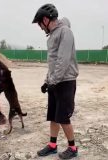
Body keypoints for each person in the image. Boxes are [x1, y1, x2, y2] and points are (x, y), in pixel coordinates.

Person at [32, 3, 79, 159]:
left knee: (63, 117)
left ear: (45, 19)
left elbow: (63, 61)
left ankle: (72, 148)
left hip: (65, 82)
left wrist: (54, 81)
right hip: (55, 82)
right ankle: (52, 145)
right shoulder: (52, 35)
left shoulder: (65, 32)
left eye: (39, 23)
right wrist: (47, 81)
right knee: (53, 116)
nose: (39, 27)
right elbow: (53, 63)